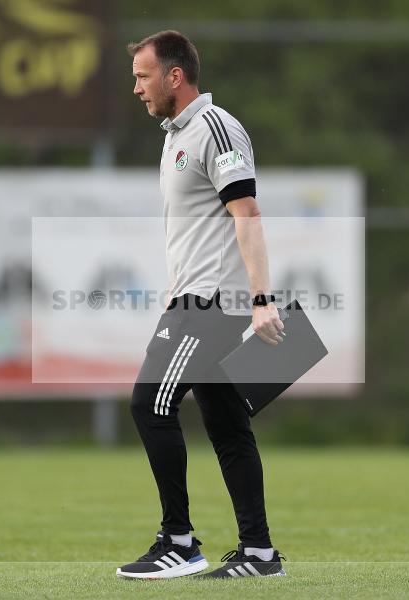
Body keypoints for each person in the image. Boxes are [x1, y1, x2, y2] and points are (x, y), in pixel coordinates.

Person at [115, 30, 286, 580]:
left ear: (175, 75)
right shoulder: (175, 136)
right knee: (227, 425)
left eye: (143, 76)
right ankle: (259, 554)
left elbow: (247, 213)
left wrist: (261, 299)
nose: (136, 88)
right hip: (194, 296)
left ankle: (179, 542)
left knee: (150, 404)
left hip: (211, 301)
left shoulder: (215, 128)